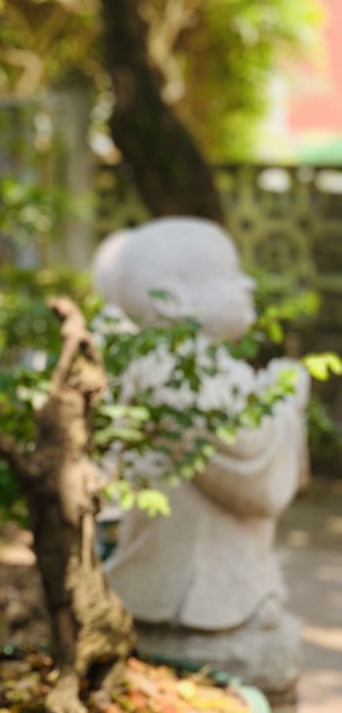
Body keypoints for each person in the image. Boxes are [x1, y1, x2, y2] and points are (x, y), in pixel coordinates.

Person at [98, 218, 308, 697]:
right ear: (172, 301)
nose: (247, 284)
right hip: (187, 583)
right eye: (228, 275)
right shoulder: (173, 373)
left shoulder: (200, 366)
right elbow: (250, 479)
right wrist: (283, 401)